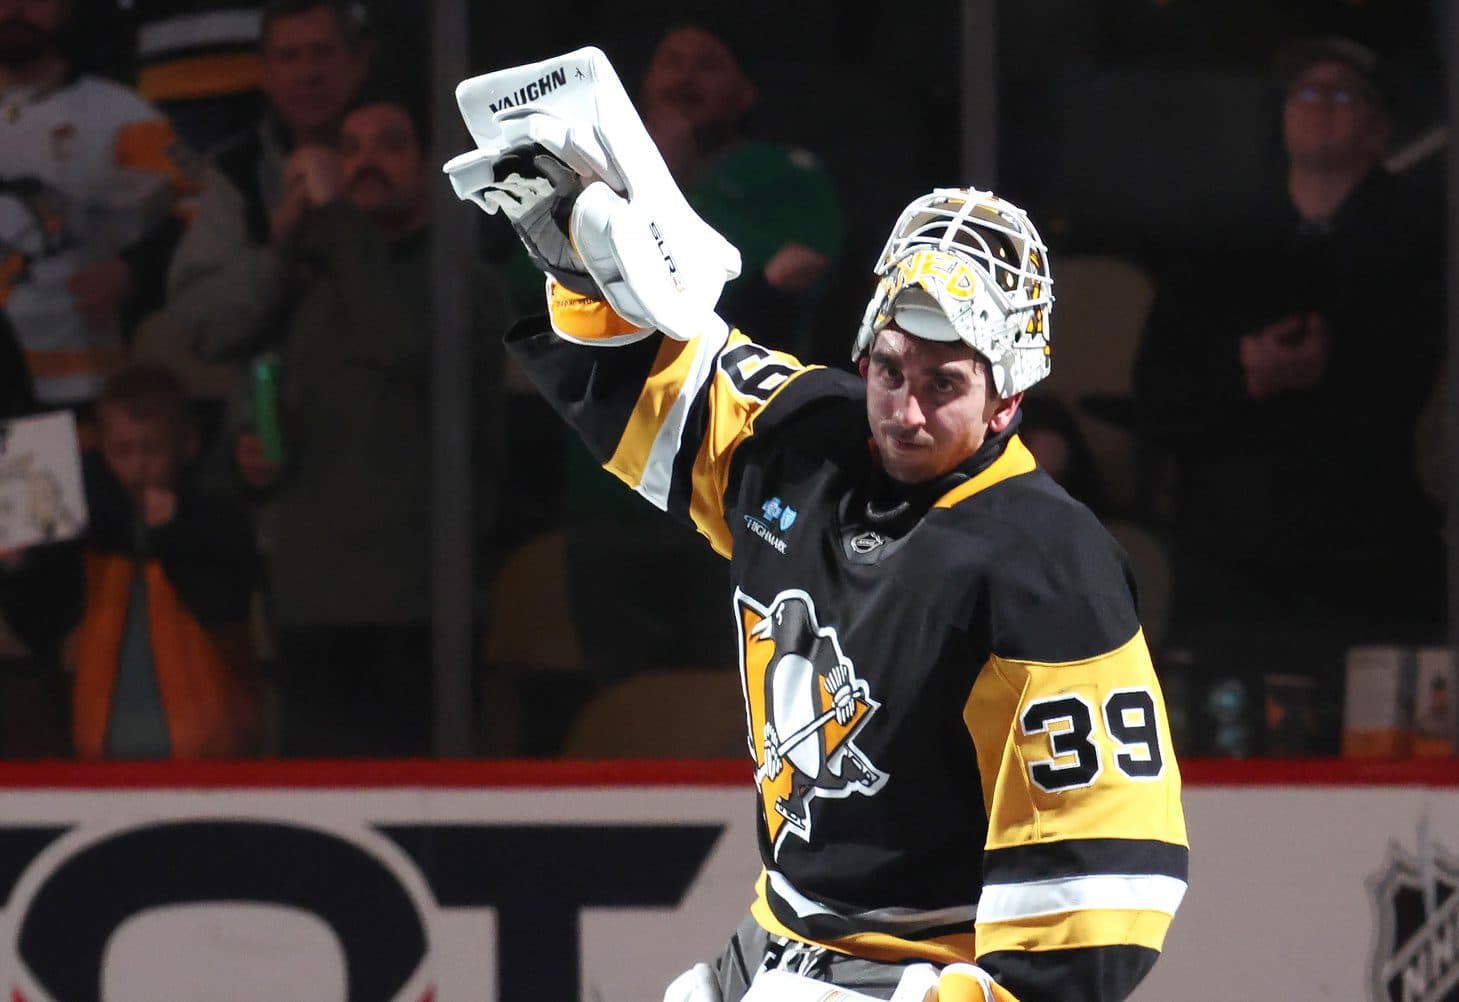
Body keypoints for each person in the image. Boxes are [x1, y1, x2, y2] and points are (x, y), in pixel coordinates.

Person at [464, 113, 1187, 995]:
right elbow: (644, 385)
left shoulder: (1049, 563)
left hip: (918, 970)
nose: (905, 410)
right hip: (776, 937)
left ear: (1008, 398)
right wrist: (586, 271)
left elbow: (1110, 871)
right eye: (890, 370)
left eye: (944, 385)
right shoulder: (806, 434)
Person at [1132, 36, 1444, 748]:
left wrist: (1327, 374)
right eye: (1306, 93)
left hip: (1372, 552)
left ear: (1380, 127)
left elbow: (1418, 390)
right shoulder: (1217, 239)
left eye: (1342, 96)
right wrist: (1245, 376)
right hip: (1235, 554)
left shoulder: (1425, 241)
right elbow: (1159, 397)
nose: (1319, 110)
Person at [231, 94, 512, 757]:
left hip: (417, 607)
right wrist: (251, 459)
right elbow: (230, 356)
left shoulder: (459, 280)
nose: (364, 164)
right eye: (349, 149)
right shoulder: (315, 282)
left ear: (428, 165)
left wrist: (332, 218)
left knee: (421, 825)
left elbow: (400, 347)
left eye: (389, 145)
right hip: (310, 602)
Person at [0, 363, 262, 759]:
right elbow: (41, 626)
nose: (138, 464)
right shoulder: (88, 531)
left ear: (186, 444)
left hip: (213, 752)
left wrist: (171, 533)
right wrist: (18, 567)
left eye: (152, 448)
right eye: (122, 451)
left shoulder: (217, 516)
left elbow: (222, 605)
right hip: (101, 747)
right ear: (102, 450)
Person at [0, 0, 192, 407]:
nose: (15, 8)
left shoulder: (123, 115)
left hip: (85, 395)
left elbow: (204, 215)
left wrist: (135, 269)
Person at [164, 0, 371, 364]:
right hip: (274, 402)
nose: (308, 73)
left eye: (322, 53)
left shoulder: (412, 157)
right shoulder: (237, 171)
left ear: (358, 62)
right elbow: (198, 322)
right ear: (265, 74)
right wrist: (276, 253)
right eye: (289, 57)